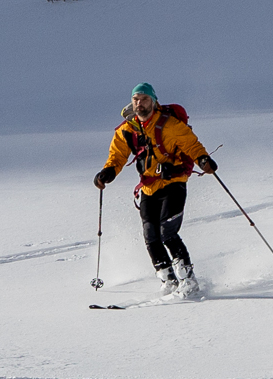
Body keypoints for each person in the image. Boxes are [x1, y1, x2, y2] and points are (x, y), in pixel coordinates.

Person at [94, 83, 219, 296]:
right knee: (151, 235)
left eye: (144, 99)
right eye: (136, 99)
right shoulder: (127, 129)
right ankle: (168, 279)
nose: (139, 103)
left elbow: (191, 144)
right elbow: (117, 156)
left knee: (167, 232)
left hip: (174, 182)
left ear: (153, 101)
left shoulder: (169, 124)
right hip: (149, 187)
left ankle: (188, 280)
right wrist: (108, 173)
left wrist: (203, 159)